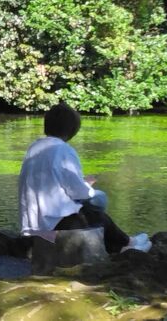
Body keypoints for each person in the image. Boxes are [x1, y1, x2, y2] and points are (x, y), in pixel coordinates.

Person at [18, 103, 151, 253]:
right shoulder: (63, 150)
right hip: (54, 225)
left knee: (89, 209)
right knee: (97, 206)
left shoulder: (34, 148)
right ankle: (127, 244)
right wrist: (87, 185)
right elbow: (79, 193)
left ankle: (123, 244)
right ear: (73, 130)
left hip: (32, 226)